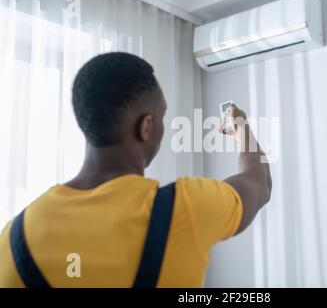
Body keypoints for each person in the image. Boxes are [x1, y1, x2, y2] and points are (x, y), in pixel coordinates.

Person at [0, 52, 272, 288]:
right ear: (146, 127)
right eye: (162, 116)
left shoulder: (14, 237)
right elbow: (258, 183)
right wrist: (241, 127)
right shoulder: (185, 207)